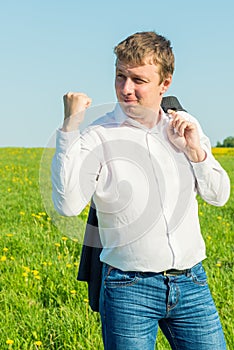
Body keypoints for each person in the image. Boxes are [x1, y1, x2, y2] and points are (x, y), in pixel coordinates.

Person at [51, 31, 230, 350]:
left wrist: (196, 153)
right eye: (120, 76)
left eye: (138, 80)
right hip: (128, 289)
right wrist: (69, 128)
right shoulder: (98, 136)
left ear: (165, 83)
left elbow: (219, 195)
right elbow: (67, 204)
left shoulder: (183, 126)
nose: (126, 89)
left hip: (192, 284)